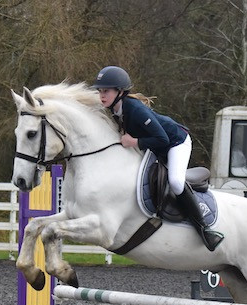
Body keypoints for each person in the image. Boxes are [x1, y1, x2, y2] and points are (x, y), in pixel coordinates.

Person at [91, 65, 224, 251]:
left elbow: (162, 139)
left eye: (106, 91)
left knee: (176, 182)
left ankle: (205, 229)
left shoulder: (135, 109)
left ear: (120, 91)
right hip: (158, 146)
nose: (102, 95)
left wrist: (135, 142)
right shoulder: (116, 109)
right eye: (100, 91)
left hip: (176, 142)